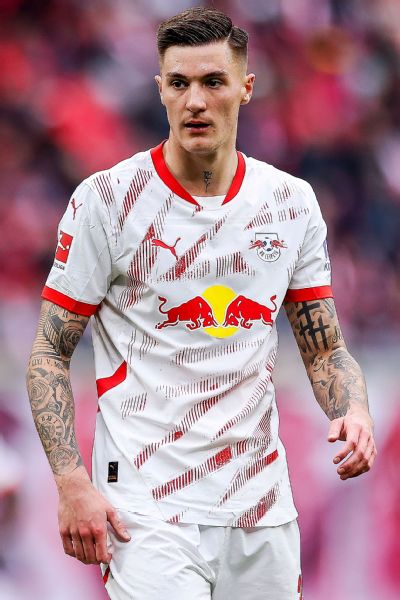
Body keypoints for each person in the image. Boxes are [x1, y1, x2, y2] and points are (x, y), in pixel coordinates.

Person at [26, 7, 377, 600]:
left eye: (213, 82)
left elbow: (325, 349)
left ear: (246, 87)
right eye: (179, 83)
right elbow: (48, 353)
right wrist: (70, 480)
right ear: (160, 89)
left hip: (260, 506)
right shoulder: (108, 201)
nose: (195, 101)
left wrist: (356, 410)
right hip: (146, 509)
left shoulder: (289, 203)